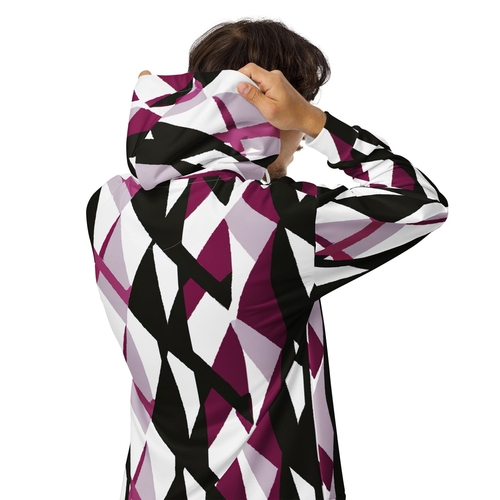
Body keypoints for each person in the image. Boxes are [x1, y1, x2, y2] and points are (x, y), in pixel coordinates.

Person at [86, 19, 448, 500]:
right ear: (267, 108)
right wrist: (318, 123)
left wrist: (166, 121)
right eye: (296, 105)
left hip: (152, 486)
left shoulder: (109, 208)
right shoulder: (282, 220)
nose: (298, 136)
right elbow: (421, 203)